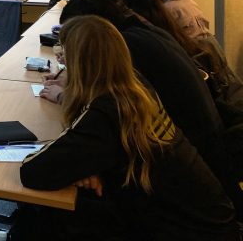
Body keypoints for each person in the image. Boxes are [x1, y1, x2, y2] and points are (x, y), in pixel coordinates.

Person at [20, 15, 237, 240]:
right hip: (211, 222)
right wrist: (83, 164)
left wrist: (75, 169)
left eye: (65, 55)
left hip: (183, 231)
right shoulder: (137, 90)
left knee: (46, 219)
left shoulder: (106, 114)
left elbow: (31, 171)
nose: (62, 60)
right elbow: (102, 145)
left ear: (79, 64)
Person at [55, 0, 243, 216]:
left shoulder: (129, 47)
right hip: (199, 165)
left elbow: (107, 113)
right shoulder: (142, 33)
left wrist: (64, 96)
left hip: (186, 184)